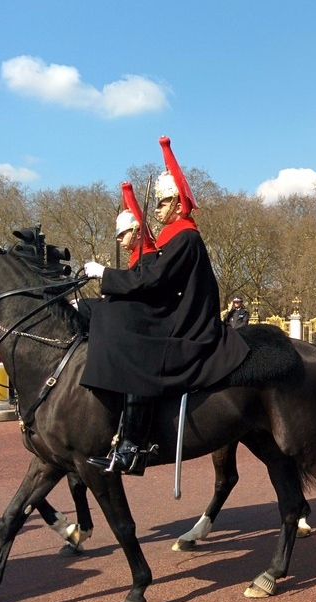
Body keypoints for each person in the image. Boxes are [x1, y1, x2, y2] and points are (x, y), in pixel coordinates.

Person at [80, 136, 250, 475]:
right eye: (156, 204)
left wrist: (105, 274)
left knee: (130, 340)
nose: (155, 211)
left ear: (176, 204)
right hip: (171, 311)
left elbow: (153, 280)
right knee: (111, 313)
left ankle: (133, 446)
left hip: (186, 322)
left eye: (161, 204)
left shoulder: (186, 236)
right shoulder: (175, 236)